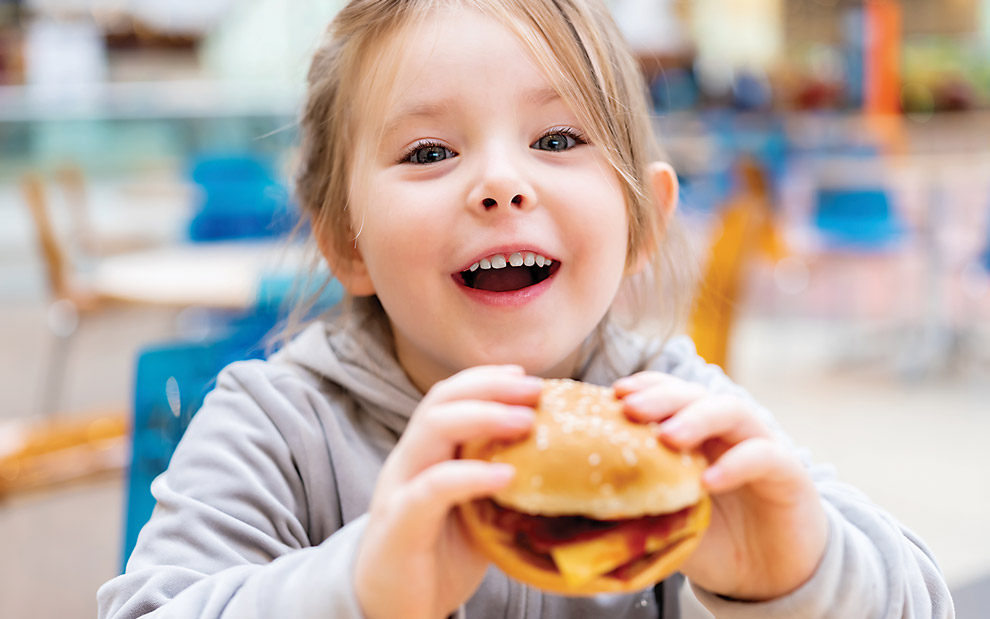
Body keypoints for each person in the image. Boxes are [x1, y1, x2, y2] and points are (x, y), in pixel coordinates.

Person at [97, 1, 954, 617]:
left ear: (644, 221)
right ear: (348, 242)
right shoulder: (275, 428)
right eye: (429, 151)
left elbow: (923, 597)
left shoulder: (675, 415)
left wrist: (797, 571)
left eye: (556, 139)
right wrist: (356, 589)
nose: (502, 182)